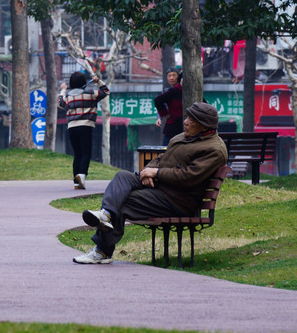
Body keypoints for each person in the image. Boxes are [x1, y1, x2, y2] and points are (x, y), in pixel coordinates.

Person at [73, 102, 228, 264]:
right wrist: (148, 171)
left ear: (204, 126)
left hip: (177, 199)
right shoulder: (183, 137)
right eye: (187, 117)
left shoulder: (214, 149)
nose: (185, 122)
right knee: (122, 176)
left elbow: (189, 176)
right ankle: (106, 214)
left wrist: (156, 173)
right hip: (160, 186)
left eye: (192, 120)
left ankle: (102, 252)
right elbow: (161, 158)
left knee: (125, 202)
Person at [58, 70, 109, 190]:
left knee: (77, 154)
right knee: (86, 153)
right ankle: (81, 176)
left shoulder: (68, 96)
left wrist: (63, 90)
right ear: (84, 82)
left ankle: (76, 183)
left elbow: (60, 103)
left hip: (72, 128)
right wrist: (98, 81)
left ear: (71, 83)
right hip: (86, 126)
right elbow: (106, 91)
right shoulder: (91, 93)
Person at [154, 68, 183, 145]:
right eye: (169, 76)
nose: (171, 78)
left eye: (174, 75)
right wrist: (160, 117)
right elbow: (160, 103)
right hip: (172, 124)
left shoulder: (182, 90)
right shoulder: (167, 91)